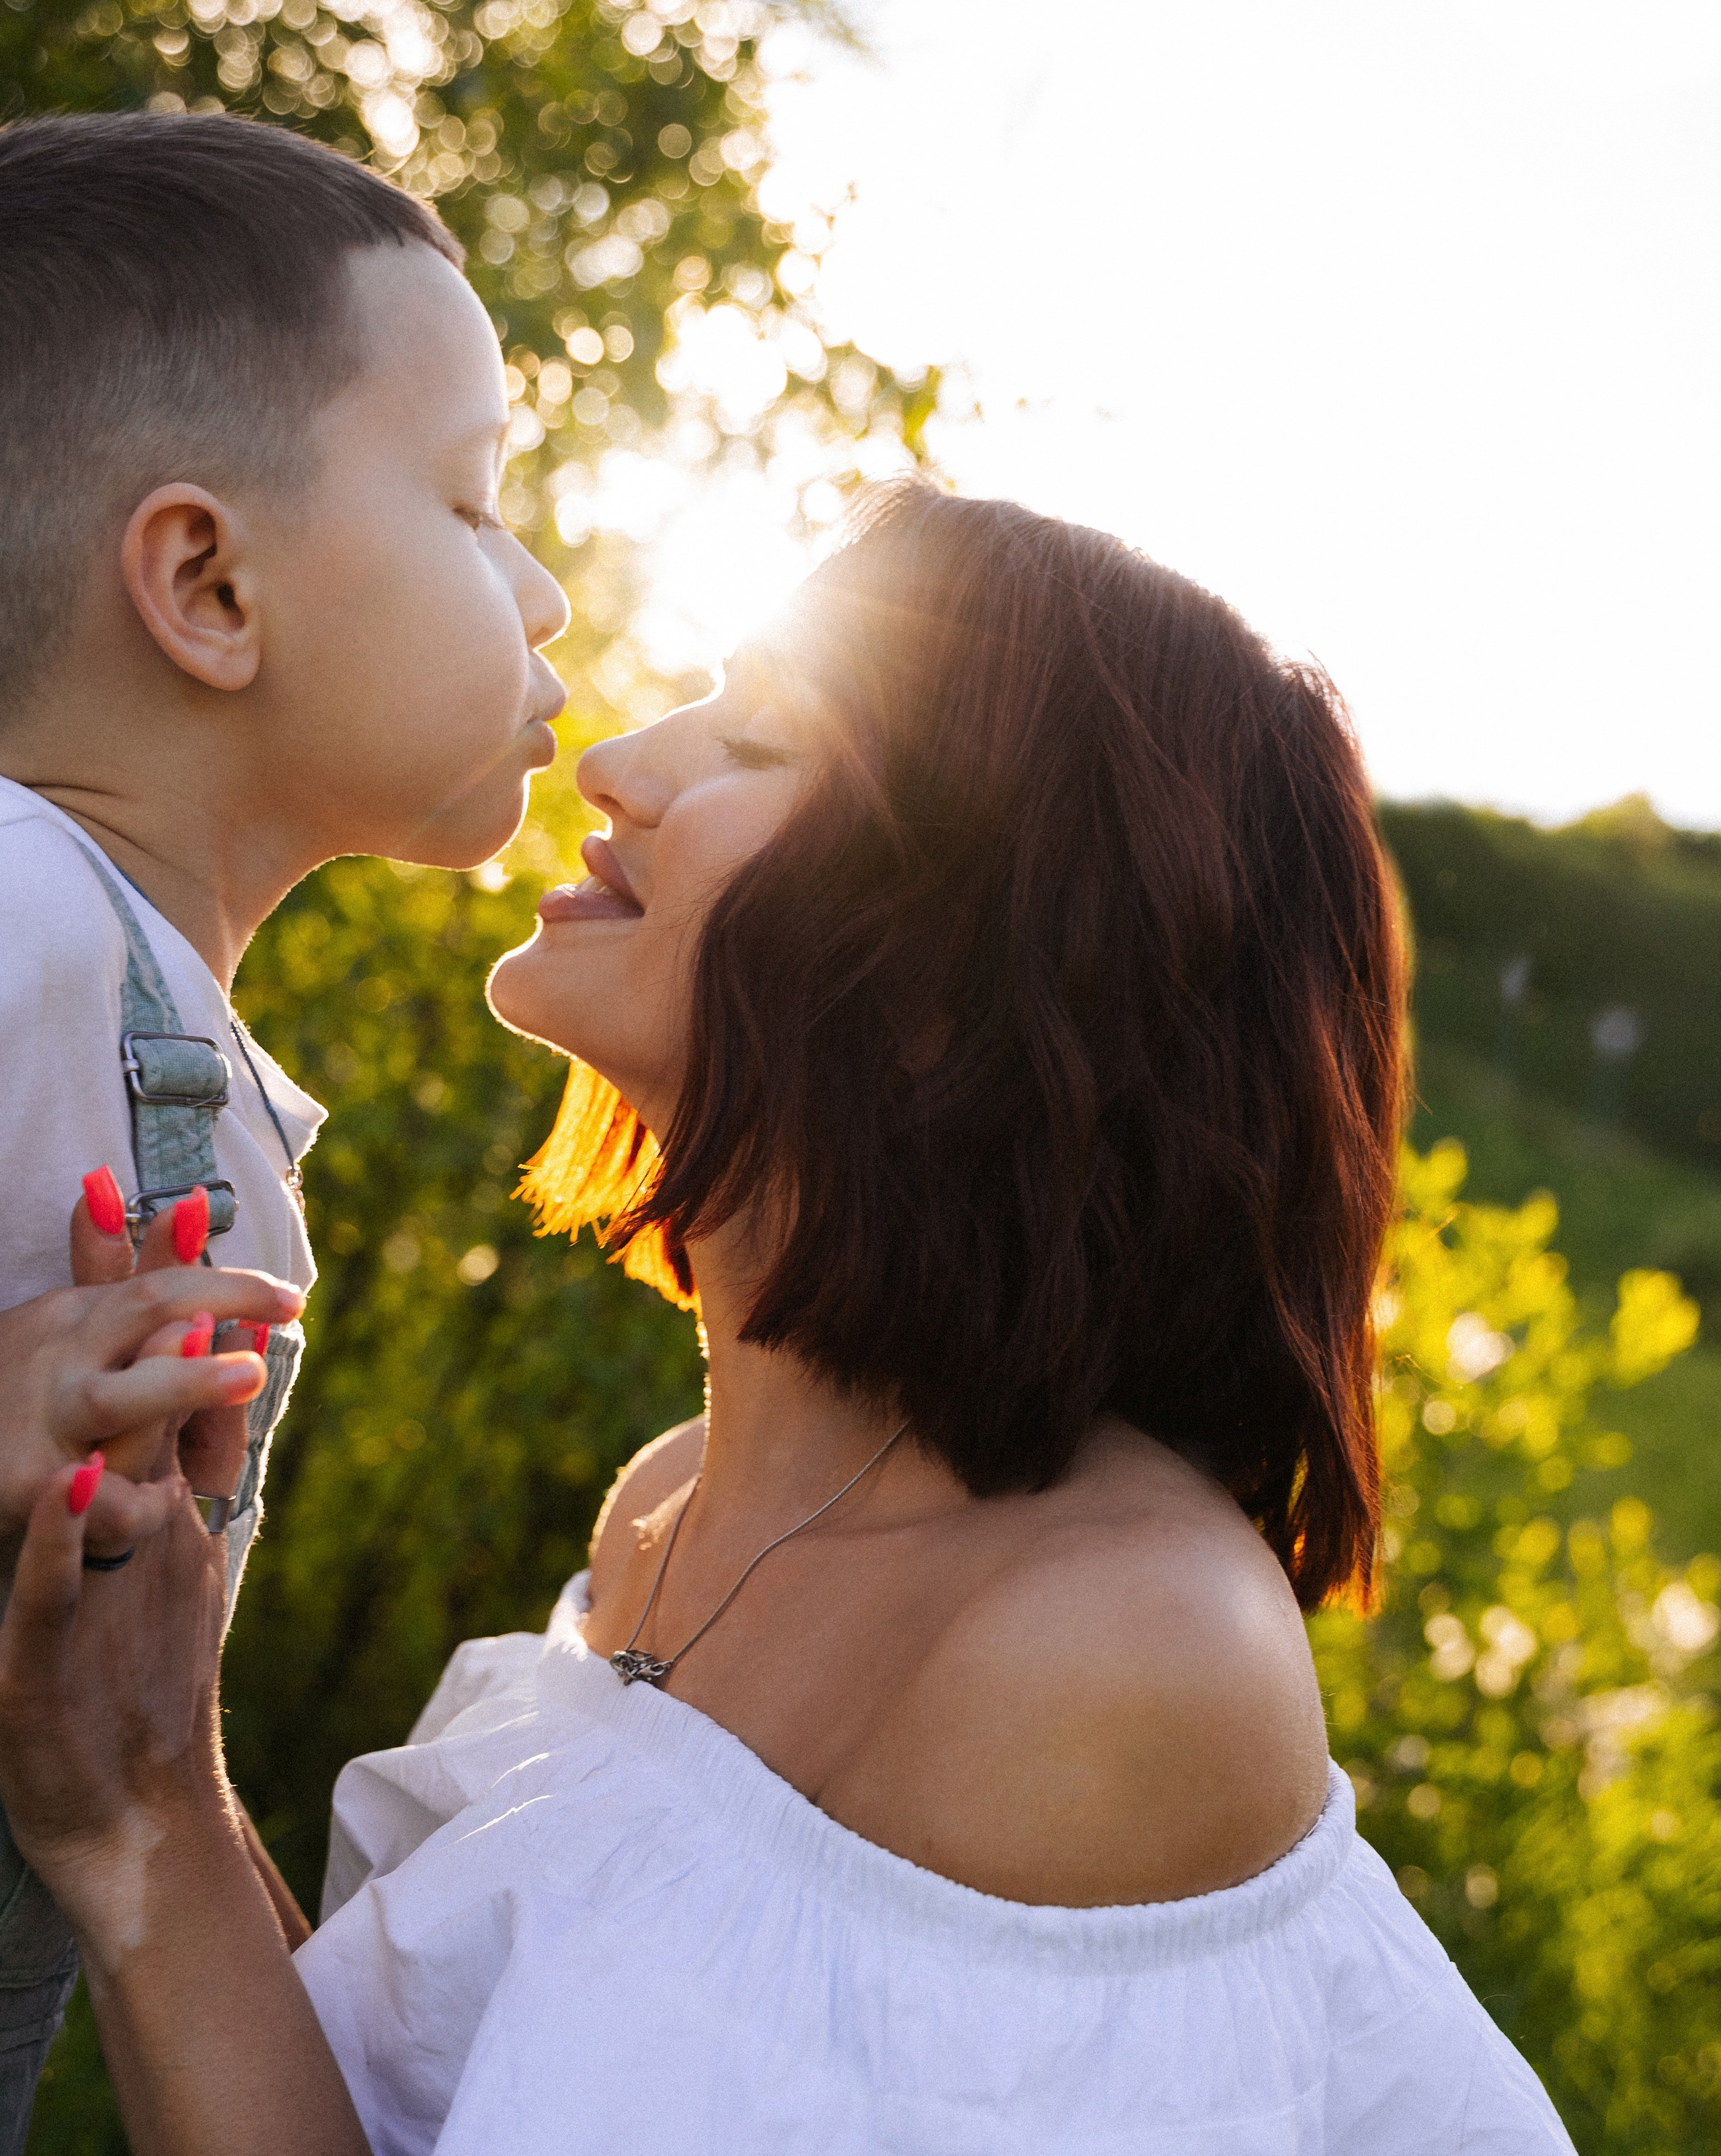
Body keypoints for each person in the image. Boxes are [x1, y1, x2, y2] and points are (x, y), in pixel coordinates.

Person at [0, 488, 1576, 2153]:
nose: (621, 763)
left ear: (965, 956)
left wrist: (152, 1814)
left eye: (755, 735)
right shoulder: (669, 1502)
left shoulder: (1120, 1654)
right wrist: (147, 1750)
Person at [0, 111, 569, 2143]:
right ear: (208, 585)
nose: (552, 589)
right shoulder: (21, 909)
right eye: (475, 502)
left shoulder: (158, 1028)